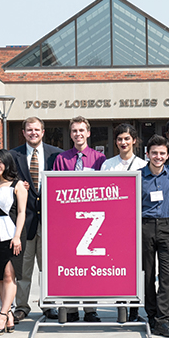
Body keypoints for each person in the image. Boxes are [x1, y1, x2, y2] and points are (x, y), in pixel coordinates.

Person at [53, 116, 106, 322]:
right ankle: (71, 308)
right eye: (74, 131)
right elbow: (55, 191)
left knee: (89, 267)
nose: (78, 134)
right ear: (70, 134)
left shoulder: (99, 159)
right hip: (68, 221)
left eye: (82, 130)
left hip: (91, 221)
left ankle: (91, 310)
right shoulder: (61, 159)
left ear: (88, 133)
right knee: (70, 266)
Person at [11, 117, 63, 322]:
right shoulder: (13, 155)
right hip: (25, 222)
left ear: (43, 132)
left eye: (36, 129)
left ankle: (49, 305)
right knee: (23, 268)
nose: (33, 133)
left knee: (48, 268)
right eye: (29, 130)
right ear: (23, 133)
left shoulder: (56, 155)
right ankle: (22, 306)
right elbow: (7, 181)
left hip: (50, 222)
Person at [102, 123, 148, 321]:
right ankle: (121, 307)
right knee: (119, 267)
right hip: (114, 225)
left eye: (127, 139)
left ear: (134, 141)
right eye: (120, 139)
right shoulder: (107, 165)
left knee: (137, 268)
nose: (123, 142)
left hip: (136, 224)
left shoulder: (143, 165)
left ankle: (135, 310)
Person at [140, 135, 169, 338]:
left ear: (167, 155)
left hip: (167, 227)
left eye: (162, 153)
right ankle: (152, 315)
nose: (158, 156)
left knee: (166, 276)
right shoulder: (138, 176)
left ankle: (163, 319)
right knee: (147, 275)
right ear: (147, 154)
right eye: (154, 153)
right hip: (145, 226)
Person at [0, 149, 27, 335]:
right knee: (1, 276)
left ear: (8, 163)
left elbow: (22, 212)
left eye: (0, 162)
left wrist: (17, 236)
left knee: (10, 275)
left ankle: (2, 314)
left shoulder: (18, 185)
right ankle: (8, 313)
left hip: (12, 233)